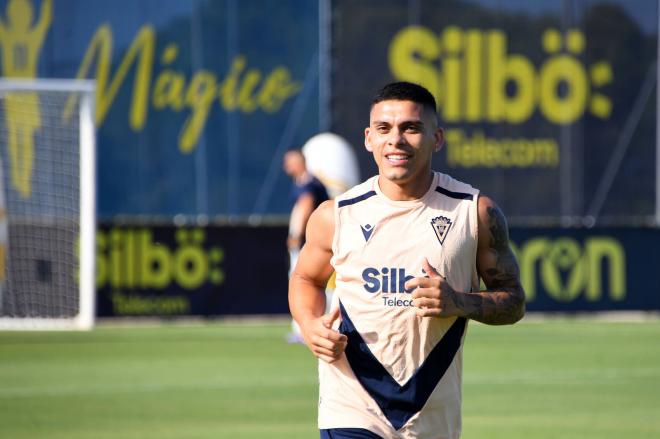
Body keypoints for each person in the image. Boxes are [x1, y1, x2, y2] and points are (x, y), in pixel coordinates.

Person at [288, 81, 525, 438]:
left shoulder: (474, 212)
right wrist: (309, 325)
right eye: (384, 129)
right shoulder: (335, 215)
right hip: (351, 407)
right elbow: (305, 279)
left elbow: (513, 301)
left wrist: (458, 302)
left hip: (431, 414)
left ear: (437, 138)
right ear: (369, 138)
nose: (395, 140)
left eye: (411, 128)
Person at [283, 148, 329, 343]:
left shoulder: (309, 183)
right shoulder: (304, 181)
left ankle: (306, 328)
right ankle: (309, 326)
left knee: (302, 280)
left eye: (289, 161)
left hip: (311, 243)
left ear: (299, 162)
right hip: (314, 241)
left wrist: (295, 233)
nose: (286, 166)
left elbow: (306, 205)